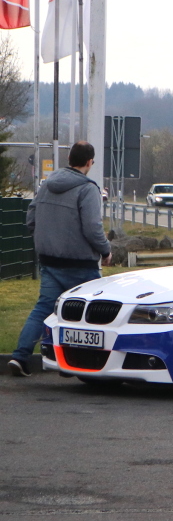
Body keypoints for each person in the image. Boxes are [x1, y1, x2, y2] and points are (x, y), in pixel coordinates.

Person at [8, 142, 112, 377]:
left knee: (43, 308)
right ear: (89, 162)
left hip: (49, 260)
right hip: (81, 264)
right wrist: (106, 251)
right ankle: (79, 363)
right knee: (88, 316)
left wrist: (44, 238)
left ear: (69, 158)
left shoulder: (47, 185)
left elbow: (31, 216)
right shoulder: (88, 189)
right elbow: (93, 228)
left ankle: (20, 357)